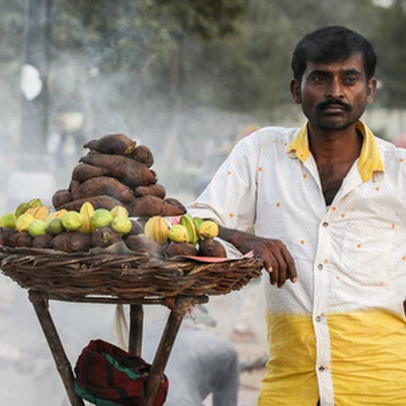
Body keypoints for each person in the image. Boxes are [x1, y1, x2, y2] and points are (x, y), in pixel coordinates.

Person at [186, 25, 406, 405]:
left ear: (369, 90)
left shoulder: (399, 170)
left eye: (349, 79)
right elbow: (192, 222)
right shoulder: (260, 152)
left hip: (383, 385)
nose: (335, 91)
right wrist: (245, 239)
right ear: (295, 89)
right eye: (320, 78)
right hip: (290, 385)